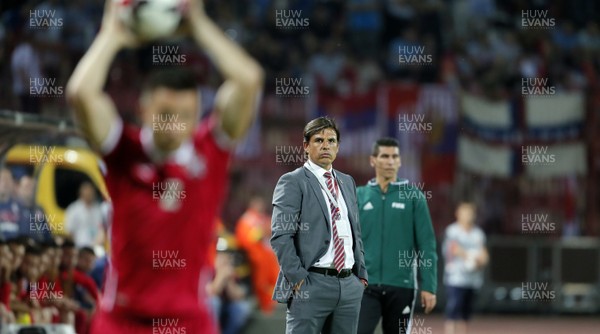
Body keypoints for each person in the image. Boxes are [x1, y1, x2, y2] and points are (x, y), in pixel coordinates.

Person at [66, 0, 263, 332]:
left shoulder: (210, 153)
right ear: (144, 109)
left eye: (185, 116)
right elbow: (80, 93)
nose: (175, 125)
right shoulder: (122, 150)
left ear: (198, 113)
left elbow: (249, 79)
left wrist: (199, 25)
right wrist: (112, 35)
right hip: (122, 321)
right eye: (166, 115)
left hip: (189, 322)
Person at [271, 116, 368, 334]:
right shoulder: (293, 181)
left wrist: (360, 275)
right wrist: (297, 278)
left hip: (348, 284)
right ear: (306, 146)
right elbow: (280, 236)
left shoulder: (347, 181)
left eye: (331, 141)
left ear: (338, 146)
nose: (326, 146)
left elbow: (356, 232)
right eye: (318, 140)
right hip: (311, 283)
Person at [356, 137, 437, 334]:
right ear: (373, 160)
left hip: (402, 286)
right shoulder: (358, 195)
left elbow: (426, 244)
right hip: (364, 285)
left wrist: (429, 285)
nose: (390, 161)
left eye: (395, 157)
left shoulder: (414, 196)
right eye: (384, 156)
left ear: (400, 161)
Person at [443, 202, 488, 334]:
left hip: (472, 279)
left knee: (466, 313)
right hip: (456, 278)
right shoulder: (452, 231)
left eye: (470, 213)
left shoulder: (478, 233)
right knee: (453, 309)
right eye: (465, 213)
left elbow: (484, 255)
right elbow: (453, 248)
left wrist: (480, 261)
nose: (468, 216)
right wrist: (470, 256)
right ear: (458, 214)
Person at [235, 195, 279, 313]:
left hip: (270, 256)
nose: (260, 206)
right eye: (257, 203)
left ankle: (274, 304)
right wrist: (261, 232)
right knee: (262, 281)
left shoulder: (264, 218)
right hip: (256, 257)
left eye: (261, 203)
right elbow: (246, 240)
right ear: (252, 204)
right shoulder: (246, 220)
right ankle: (266, 307)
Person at [64, 182, 105, 254]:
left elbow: (101, 228)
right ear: (81, 194)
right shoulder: (74, 209)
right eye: (87, 194)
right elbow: (70, 232)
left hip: (96, 248)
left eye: (91, 193)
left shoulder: (98, 209)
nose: (90, 196)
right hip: (80, 248)